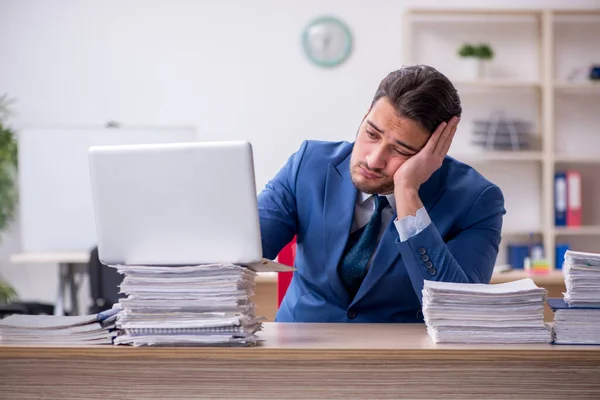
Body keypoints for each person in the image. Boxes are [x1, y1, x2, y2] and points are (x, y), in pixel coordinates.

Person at [258, 65, 506, 323]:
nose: (374, 159)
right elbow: (241, 249)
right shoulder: (309, 164)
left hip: (398, 358)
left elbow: (459, 312)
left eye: (401, 150)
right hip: (298, 350)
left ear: (435, 152)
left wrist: (408, 193)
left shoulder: (477, 200)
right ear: (365, 116)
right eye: (372, 134)